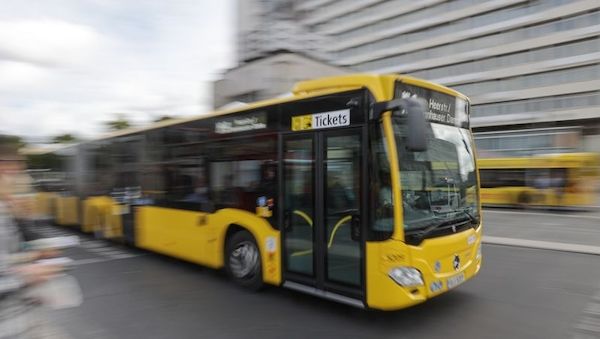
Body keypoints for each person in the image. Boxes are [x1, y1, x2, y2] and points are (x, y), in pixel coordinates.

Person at [0, 136, 65, 338]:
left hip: (22, 318)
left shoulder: (8, 209)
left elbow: (22, 240)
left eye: (18, 172)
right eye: (10, 172)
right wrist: (25, 274)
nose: (17, 179)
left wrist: (38, 251)